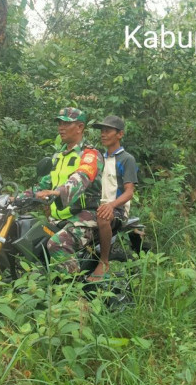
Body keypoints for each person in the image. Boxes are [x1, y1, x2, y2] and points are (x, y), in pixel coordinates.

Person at [31, 107, 104, 273]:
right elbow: (43, 185)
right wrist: (12, 198)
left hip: (85, 216)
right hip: (59, 218)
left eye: (66, 123)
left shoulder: (90, 154)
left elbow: (81, 178)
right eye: (59, 123)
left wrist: (58, 192)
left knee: (57, 243)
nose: (60, 128)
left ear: (79, 127)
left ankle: (74, 295)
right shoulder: (59, 157)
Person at [88, 115, 138, 281]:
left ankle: (104, 261)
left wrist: (111, 206)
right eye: (102, 131)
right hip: (96, 206)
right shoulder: (99, 158)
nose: (103, 134)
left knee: (103, 216)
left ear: (120, 134)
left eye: (108, 131)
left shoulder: (126, 159)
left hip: (117, 209)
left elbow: (129, 192)